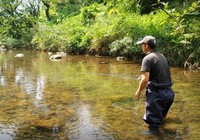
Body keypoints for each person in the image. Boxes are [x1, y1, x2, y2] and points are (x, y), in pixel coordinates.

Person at [135, 35, 174, 133]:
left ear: (146, 45)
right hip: (169, 93)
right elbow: (160, 74)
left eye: (142, 44)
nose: (142, 47)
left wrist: (139, 91)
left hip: (157, 95)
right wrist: (144, 77)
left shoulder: (147, 58)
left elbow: (145, 80)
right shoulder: (162, 56)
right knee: (161, 119)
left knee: (153, 125)